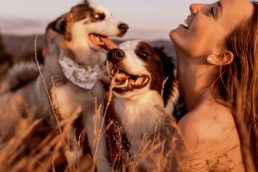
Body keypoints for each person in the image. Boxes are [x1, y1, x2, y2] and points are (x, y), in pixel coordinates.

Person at [169, 0, 257, 171]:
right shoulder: (192, 107)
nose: (195, 6)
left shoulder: (202, 126)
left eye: (213, 12)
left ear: (220, 56)